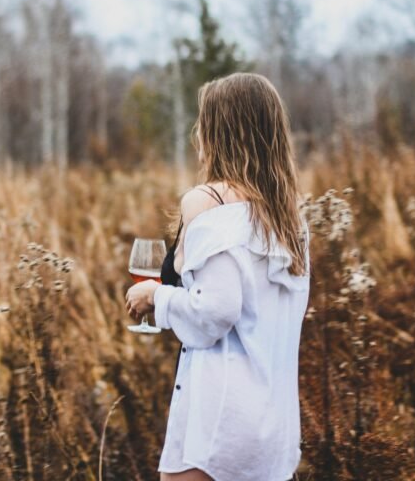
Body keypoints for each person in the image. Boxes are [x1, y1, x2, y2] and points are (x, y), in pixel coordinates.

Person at [124, 72, 310, 481]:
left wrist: (156, 298)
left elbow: (216, 311)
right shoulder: (289, 218)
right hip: (274, 422)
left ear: (215, 131)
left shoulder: (206, 202)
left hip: (221, 416)